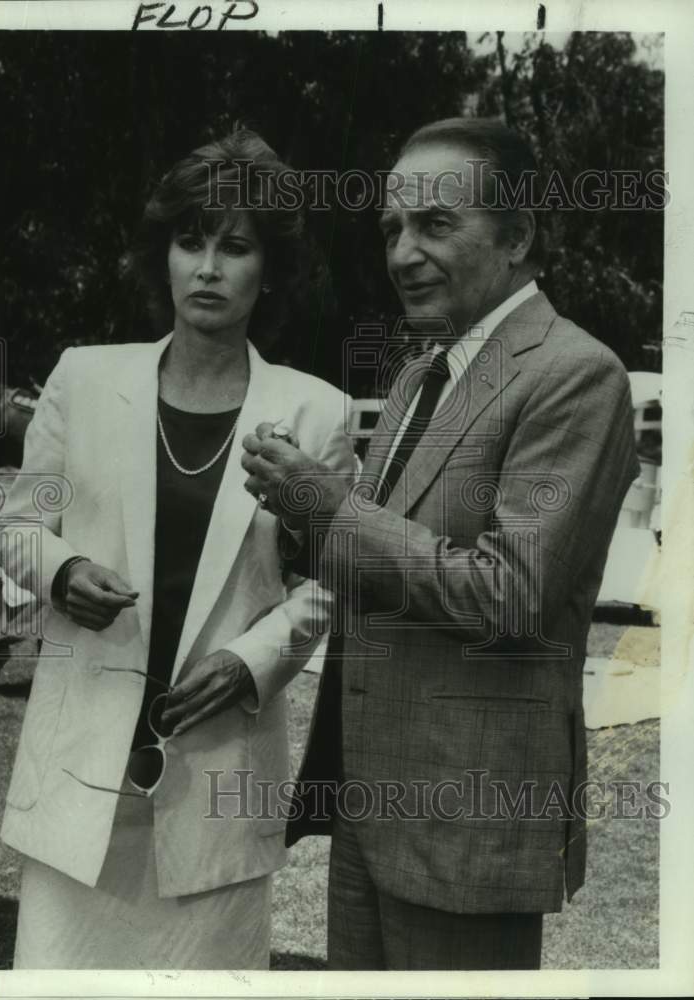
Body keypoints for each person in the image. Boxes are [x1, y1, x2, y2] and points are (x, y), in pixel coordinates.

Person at [242, 117, 640, 970]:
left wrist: (324, 508)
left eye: (433, 223)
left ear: (517, 236)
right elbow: (379, 560)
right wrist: (297, 519)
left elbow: (508, 594)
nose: (401, 252)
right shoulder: (423, 370)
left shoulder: (576, 373)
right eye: (391, 227)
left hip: (467, 824)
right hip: (366, 808)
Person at [0, 128, 355, 970]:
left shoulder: (316, 412)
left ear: (269, 271)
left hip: (218, 789)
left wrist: (251, 659)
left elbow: (329, 580)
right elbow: (18, 527)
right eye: (189, 241)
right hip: (78, 783)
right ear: (160, 255)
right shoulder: (83, 379)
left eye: (234, 247)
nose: (206, 267)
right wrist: (60, 570)